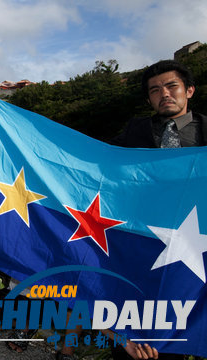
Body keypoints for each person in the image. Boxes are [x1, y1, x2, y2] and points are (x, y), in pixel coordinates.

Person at [58, 59, 197, 360]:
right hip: (141, 236)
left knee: (182, 313)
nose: (165, 94)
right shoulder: (136, 130)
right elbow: (97, 166)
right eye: (155, 90)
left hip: (192, 238)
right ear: (149, 98)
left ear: (189, 90)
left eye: (172, 86)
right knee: (133, 304)